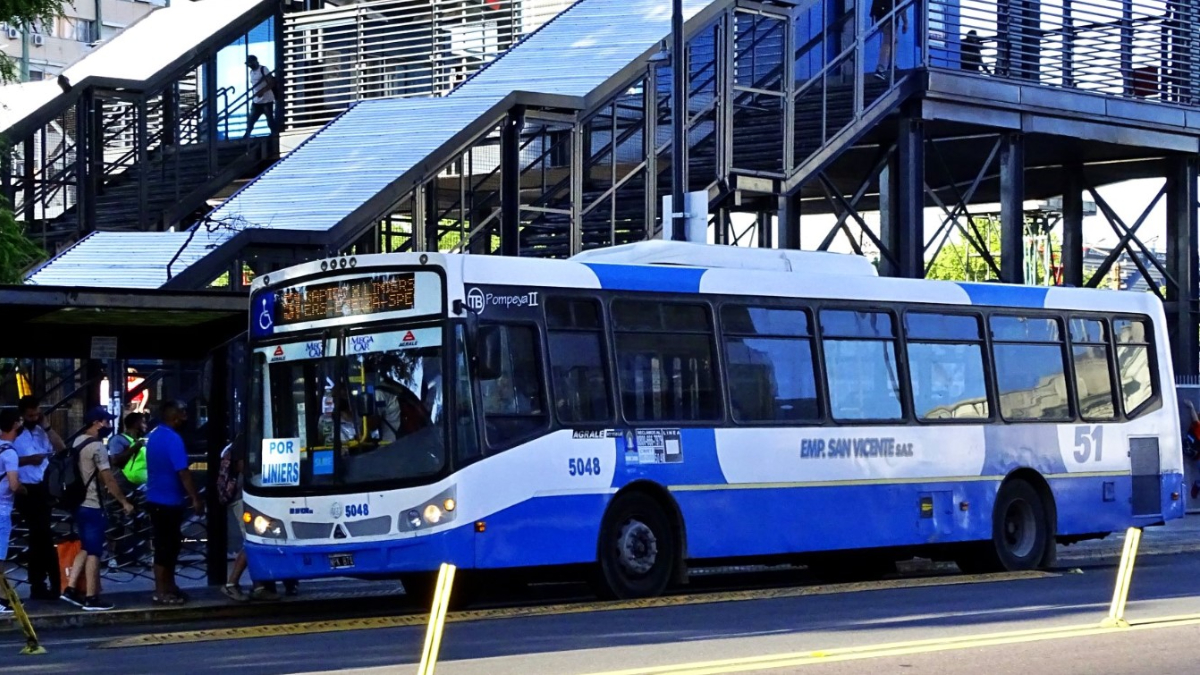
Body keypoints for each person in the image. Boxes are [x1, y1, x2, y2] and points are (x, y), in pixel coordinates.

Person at [60, 407, 135, 611]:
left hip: (78, 503)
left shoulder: (78, 441)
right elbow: (108, 478)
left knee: (86, 546)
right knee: (94, 551)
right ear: (97, 423)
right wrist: (124, 502)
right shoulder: (97, 448)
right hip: (93, 504)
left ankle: (70, 588)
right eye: (106, 422)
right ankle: (92, 597)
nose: (109, 426)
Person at [144, 401, 202, 606]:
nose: (186, 418)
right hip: (168, 501)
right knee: (166, 547)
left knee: (168, 545)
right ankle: (161, 590)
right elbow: (183, 472)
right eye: (183, 415)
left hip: (155, 498)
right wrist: (195, 497)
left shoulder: (154, 436)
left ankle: (169, 586)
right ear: (174, 417)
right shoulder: (173, 439)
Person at [12, 395, 64, 601]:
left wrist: (48, 427)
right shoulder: (15, 435)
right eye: (30, 415)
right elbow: (7, 458)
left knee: (41, 537)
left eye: (37, 414)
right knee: (40, 535)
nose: (34, 417)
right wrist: (28, 460)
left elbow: (61, 449)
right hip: (26, 489)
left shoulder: (43, 432)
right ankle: (44, 581)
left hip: (44, 487)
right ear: (23, 415)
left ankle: (44, 582)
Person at [218, 440, 280, 602]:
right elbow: (242, 467)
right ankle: (231, 584)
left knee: (255, 540)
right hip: (243, 497)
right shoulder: (243, 441)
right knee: (251, 541)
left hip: (245, 497)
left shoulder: (240, 440)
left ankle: (259, 586)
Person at [0, 408, 27, 616]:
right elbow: (14, 484)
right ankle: (1, 600)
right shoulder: (9, 453)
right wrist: (24, 489)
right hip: (2, 508)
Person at [870, 0, 908, 79]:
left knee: (894, 40)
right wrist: (905, 22)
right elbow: (901, 4)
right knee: (888, 42)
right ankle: (880, 69)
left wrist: (874, 18)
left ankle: (892, 64)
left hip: (881, 15)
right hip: (890, 16)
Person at [243, 55, 279, 139]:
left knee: (270, 120)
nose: (249, 65)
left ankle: (274, 134)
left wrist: (262, 91)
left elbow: (271, 82)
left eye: (250, 63)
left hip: (267, 100)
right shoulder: (251, 72)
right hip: (256, 101)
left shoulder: (263, 69)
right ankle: (246, 135)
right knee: (251, 120)